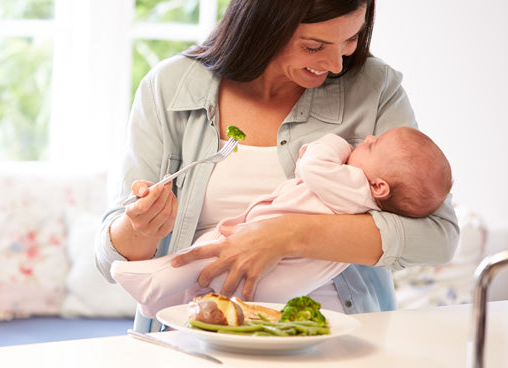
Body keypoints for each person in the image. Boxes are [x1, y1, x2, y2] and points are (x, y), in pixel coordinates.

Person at [94, 0, 459, 333]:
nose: (336, 64)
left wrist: (286, 235)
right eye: (314, 46)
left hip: (338, 340)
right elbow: (109, 257)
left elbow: (438, 236)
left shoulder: (375, 89)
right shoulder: (170, 87)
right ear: (262, 24)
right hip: (196, 336)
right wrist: (141, 227)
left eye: (350, 39)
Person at [110, 127, 453, 318]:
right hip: (288, 284)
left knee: (203, 255)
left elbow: (314, 166)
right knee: (204, 286)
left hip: (268, 255)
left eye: (372, 145)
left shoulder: (355, 184)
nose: (364, 140)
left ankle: (149, 282)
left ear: (379, 186)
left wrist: (332, 142)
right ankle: (160, 302)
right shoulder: (370, 203)